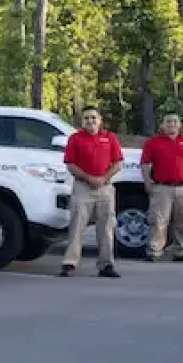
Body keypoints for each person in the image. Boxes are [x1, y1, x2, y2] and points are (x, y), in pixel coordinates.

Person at [59, 106, 124, 278]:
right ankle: (69, 263)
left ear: (100, 119)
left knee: (106, 227)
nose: (90, 121)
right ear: (82, 121)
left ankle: (106, 265)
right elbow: (70, 164)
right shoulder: (75, 138)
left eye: (93, 117)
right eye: (87, 118)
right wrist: (88, 177)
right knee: (77, 225)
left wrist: (103, 178)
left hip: (105, 187)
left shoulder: (110, 138)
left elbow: (117, 163)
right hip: (82, 187)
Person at [140, 111, 183, 263]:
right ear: (163, 125)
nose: (171, 124)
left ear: (179, 124)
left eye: (174, 121)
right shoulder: (153, 142)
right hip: (162, 187)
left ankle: (182, 251)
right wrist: (147, 181)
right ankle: (154, 251)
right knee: (158, 221)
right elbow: (145, 163)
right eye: (168, 121)